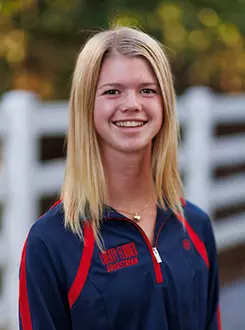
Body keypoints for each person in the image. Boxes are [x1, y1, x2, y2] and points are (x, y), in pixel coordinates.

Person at [19, 26, 222, 330]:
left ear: (165, 103)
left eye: (147, 90)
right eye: (112, 91)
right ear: (87, 105)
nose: (132, 104)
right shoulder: (52, 242)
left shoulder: (195, 226)